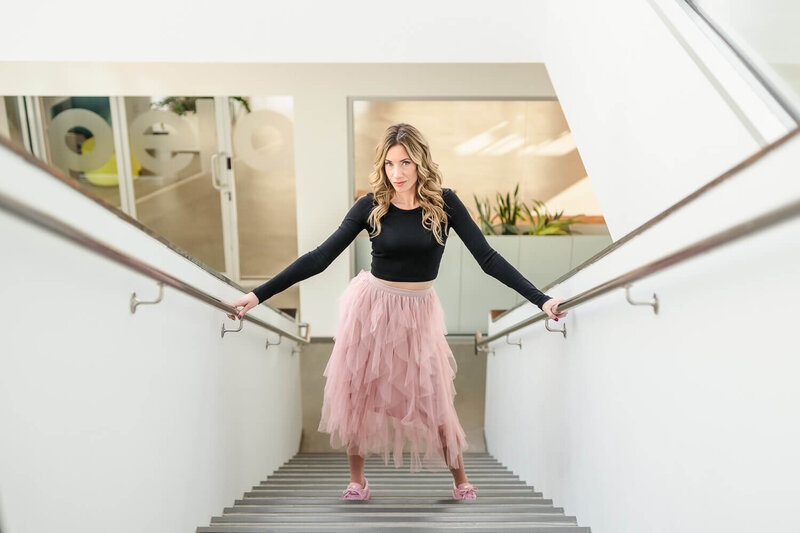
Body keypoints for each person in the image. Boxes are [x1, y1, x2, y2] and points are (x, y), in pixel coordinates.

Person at [226, 123, 567, 501]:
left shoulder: (445, 204)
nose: (397, 173)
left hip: (419, 312)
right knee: (358, 392)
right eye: (389, 164)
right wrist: (257, 295)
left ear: (420, 162)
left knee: (434, 394)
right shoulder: (371, 206)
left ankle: (460, 480)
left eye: (405, 163)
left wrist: (541, 300)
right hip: (371, 307)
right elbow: (320, 258)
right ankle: (358, 482)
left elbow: (488, 259)